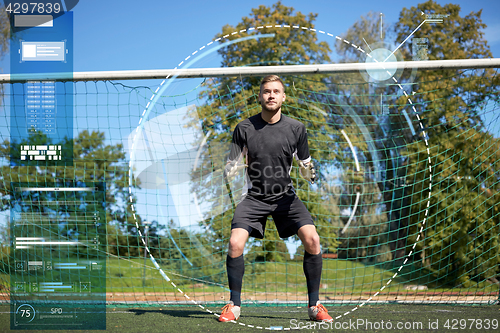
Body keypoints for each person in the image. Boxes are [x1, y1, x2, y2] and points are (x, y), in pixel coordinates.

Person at [219, 75, 332, 323]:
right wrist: (230, 168)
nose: (271, 95)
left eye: (276, 91)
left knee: (313, 240)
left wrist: (308, 171)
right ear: (259, 97)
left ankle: (315, 305)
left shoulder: (296, 129)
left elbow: (305, 164)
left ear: (283, 97)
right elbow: (232, 162)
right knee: (235, 243)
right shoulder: (244, 128)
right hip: (254, 197)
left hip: (286, 197)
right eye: (266, 91)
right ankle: (234, 305)